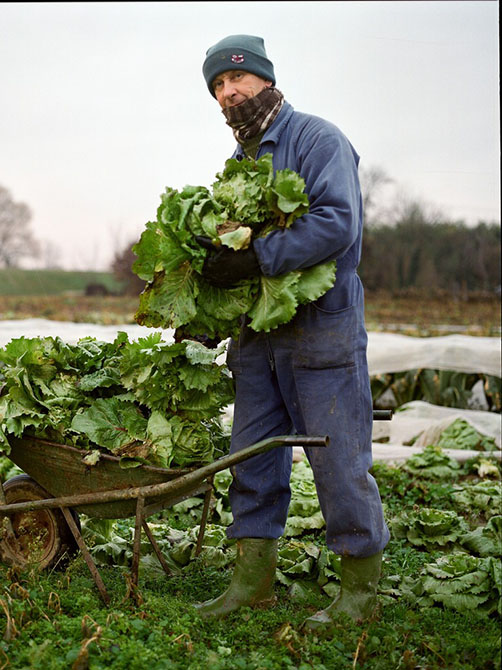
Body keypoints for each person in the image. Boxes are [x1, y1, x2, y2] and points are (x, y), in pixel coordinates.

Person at [193, 34, 390, 629]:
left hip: (321, 334)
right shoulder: (238, 165)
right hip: (257, 341)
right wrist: (209, 312)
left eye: (236, 79)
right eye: (217, 87)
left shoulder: (317, 139)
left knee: (337, 460)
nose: (229, 93)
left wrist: (257, 257)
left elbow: (338, 223)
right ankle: (252, 581)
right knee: (251, 458)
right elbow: (230, 252)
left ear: (263, 78)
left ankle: (359, 592)